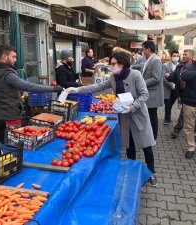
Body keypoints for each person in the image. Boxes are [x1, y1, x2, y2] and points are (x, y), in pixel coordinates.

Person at [67, 47, 157, 187]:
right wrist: (78, 89)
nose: (111, 66)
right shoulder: (113, 77)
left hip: (138, 115)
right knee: (129, 146)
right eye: (111, 63)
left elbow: (144, 95)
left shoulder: (135, 75)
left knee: (146, 145)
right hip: (124, 116)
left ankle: (152, 173)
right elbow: (96, 87)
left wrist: (132, 107)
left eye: (114, 63)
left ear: (122, 63)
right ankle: (131, 172)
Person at [0, 44, 62, 143]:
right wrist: (53, 88)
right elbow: (28, 87)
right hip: (10, 115)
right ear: (4, 57)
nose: (15, 60)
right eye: (13, 57)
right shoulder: (7, 74)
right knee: (14, 144)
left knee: (5, 141)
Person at [166, 49, 194, 139]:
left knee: (184, 111)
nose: (183, 56)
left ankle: (177, 130)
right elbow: (174, 76)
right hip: (181, 93)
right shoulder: (180, 66)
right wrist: (168, 76)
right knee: (184, 111)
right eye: (183, 54)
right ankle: (179, 129)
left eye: (186, 54)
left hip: (192, 94)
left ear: (191, 56)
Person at [141, 40, 164, 140]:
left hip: (153, 94)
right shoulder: (149, 59)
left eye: (143, 49)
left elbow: (156, 78)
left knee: (152, 116)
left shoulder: (155, 60)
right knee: (149, 116)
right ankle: (150, 136)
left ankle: (153, 137)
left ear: (148, 49)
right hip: (149, 94)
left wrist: (142, 83)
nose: (142, 51)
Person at [163, 50, 179, 125]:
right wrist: (171, 84)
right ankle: (167, 119)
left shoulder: (180, 66)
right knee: (168, 104)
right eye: (174, 56)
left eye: (177, 56)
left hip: (176, 89)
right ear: (171, 56)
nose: (176, 57)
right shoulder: (165, 65)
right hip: (168, 88)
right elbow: (163, 78)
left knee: (171, 104)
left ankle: (168, 118)